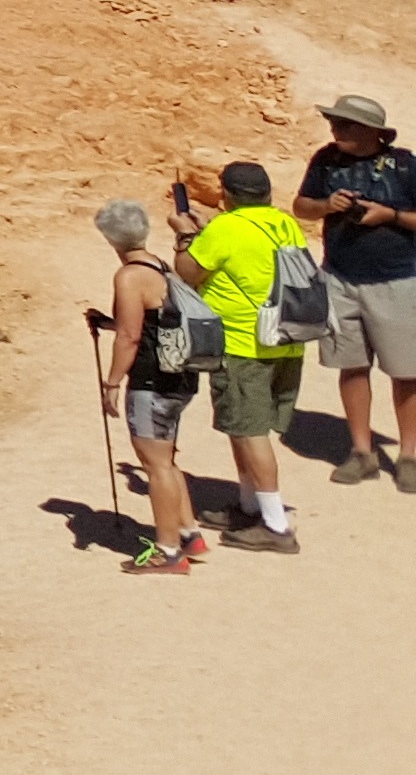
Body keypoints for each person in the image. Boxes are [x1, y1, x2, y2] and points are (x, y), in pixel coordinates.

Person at [182, 158, 312, 552]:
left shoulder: (224, 228)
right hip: (286, 337)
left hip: (243, 344)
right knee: (245, 427)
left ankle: (275, 525)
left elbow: (188, 271)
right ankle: (248, 505)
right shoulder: (285, 222)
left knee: (250, 431)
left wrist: (185, 238)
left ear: (228, 194)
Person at [292, 93, 416, 488]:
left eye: (345, 124)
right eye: (334, 122)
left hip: (397, 279)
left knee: (408, 372)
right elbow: (300, 207)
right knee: (352, 365)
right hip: (341, 277)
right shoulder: (326, 160)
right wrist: (328, 205)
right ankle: (361, 452)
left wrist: (390, 215)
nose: (335, 130)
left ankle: (410, 456)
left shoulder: (404, 166)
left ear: (373, 132)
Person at [95, 194, 208, 571]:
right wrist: (105, 322)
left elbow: (128, 337)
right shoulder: (160, 267)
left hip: (151, 382)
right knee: (167, 459)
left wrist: (112, 383)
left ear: (110, 239)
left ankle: (169, 551)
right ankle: (190, 533)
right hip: (180, 379)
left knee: (155, 465)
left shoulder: (129, 276)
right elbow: (150, 323)